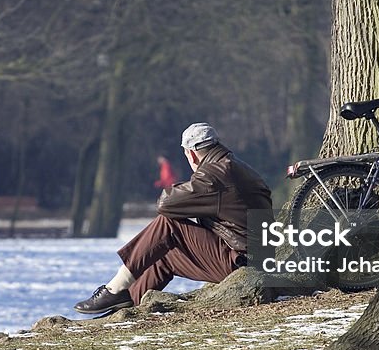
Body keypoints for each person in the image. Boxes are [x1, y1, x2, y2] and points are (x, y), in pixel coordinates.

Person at [74, 122, 274, 314]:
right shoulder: (237, 167)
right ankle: (126, 307)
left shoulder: (213, 175)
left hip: (242, 264)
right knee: (163, 254)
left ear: (192, 154)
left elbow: (166, 203)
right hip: (258, 259)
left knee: (169, 224)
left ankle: (115, 289)